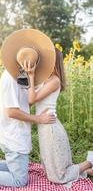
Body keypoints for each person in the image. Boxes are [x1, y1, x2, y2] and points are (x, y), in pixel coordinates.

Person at [0, 29, 56, 187]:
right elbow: (12, 111)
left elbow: (27, 102)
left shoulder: (21, 75)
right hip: (13, 135)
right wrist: (38, 119)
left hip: (17, 132)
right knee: (20, 180)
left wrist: (32, 77)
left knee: (18, 167)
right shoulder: (10, 79)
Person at [22, 47, 93, 188]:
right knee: (50, 170)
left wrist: (30, 76)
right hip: (45, 128)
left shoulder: (54, 80)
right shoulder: (44, 79)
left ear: (53, 61)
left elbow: (32, 99)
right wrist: (27, 74)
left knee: (57, 177)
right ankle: (88, 170)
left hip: (51, 129)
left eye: (45, 59)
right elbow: (28, 99)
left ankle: (89, 161)